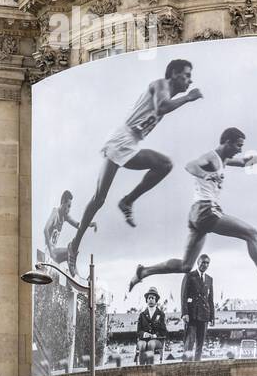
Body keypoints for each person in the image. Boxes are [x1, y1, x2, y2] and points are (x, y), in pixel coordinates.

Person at [66, 58, 204, 275]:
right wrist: (188, 98)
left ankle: (127, 201)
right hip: (121, 140)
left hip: (133, 143)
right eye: (186, 75)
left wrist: (184, 97)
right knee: (98, 199)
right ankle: (74, 246)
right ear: (174, 74)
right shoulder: (160, 84)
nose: (190, 79)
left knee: (165, 165)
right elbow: (162, 106)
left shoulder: (169, 92)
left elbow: (162, 107)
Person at [129, 128, 257, 296]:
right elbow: (190, 165)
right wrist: (205, 175)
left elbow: (245, 162)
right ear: (227, 142)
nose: (240, 149)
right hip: (206, 210)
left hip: (196, 214)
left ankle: (144, 272)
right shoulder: (210, 157)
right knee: (252, 234)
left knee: (185, 266)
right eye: (238, 145)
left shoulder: (224, 160)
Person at [43, 190, 94, 265]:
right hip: (48, 251)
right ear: (63, 202)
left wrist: (88, 224)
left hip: (55, 253)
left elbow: (78, 225)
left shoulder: (65, 216)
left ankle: (76, 275)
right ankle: (75, 274)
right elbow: (45, 230)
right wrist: (51, 251)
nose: (69, 210)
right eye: (68, 206)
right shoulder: (55, 212)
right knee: (70, 251)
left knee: (72, 252)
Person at [180, 254, 215, 361]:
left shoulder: (209, 279)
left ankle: (197, 366)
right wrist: (184, 313)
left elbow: (210, 299)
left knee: (200, 344)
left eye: (207, 263)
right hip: (192, 315)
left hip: (204, 315)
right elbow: (183, 295)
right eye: (203, 262)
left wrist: (212, 316)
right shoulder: (190, 276)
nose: (205, 265)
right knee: (189, 342)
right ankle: (186, 366)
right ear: (198, 262)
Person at [136, 288, 167, 365]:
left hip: (157, 340)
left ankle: (150, 367)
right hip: (144, 339)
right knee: (142, 345)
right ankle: (141, 368)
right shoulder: (142, 314)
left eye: (152, 298)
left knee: (151, 343)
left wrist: (155, 335)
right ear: (146, 300)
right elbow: (138, 331)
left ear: (156, 300)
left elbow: (163, 331)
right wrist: (145, 334)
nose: (150, 299)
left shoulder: (160, 314)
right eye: (148, 298)